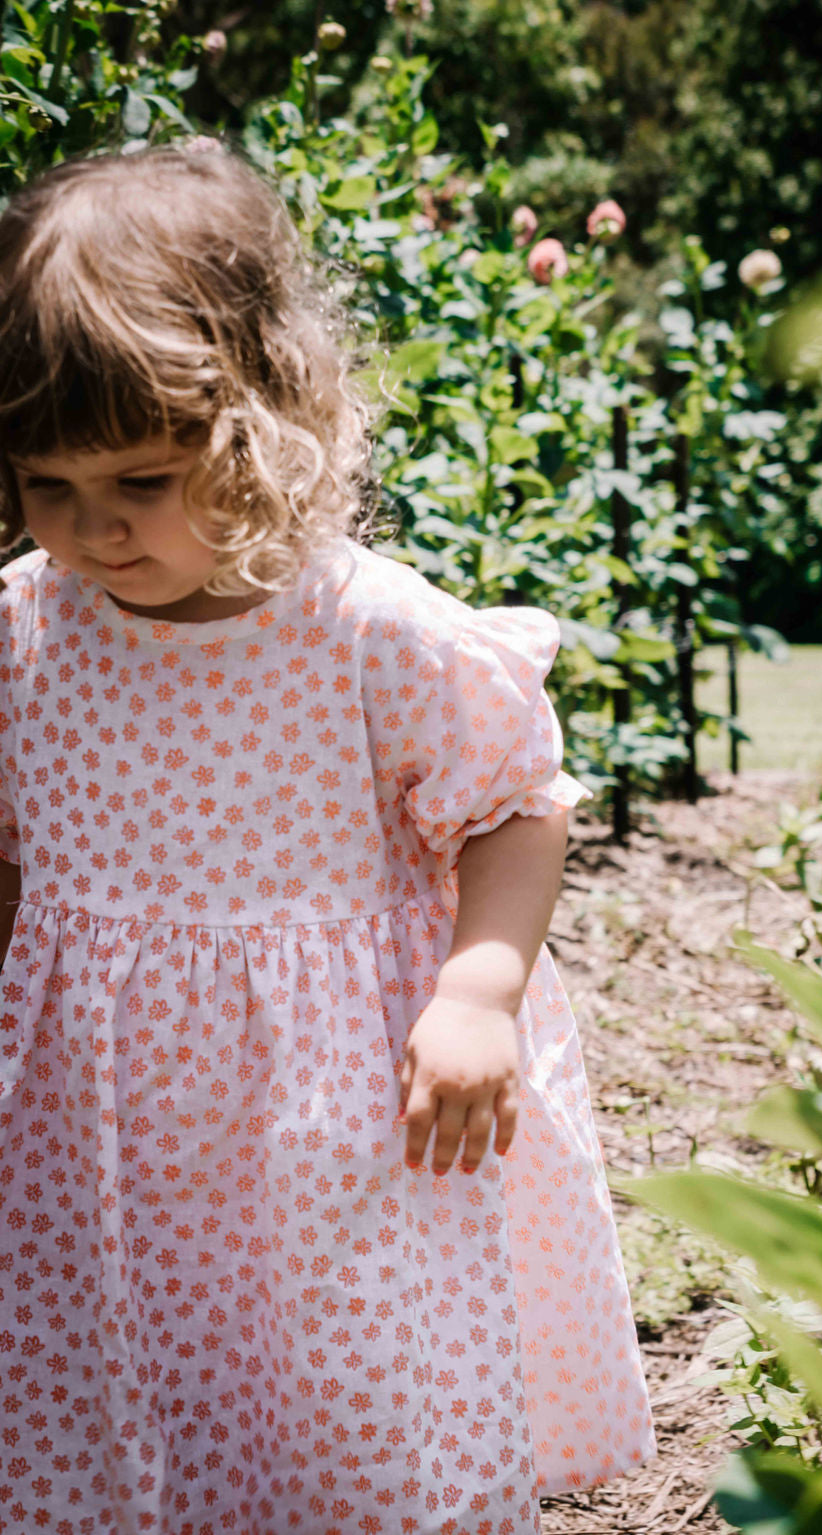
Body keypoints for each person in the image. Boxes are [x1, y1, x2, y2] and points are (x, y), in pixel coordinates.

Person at [0, 144, 655, 1535]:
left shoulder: (367, 632)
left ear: (260, 416)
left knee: (340, 1406)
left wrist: (479, 992)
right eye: (48, 487)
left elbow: (515, 808)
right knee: (120, 1388)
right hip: (96, 1131)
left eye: (144, 477)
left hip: (337, 1124)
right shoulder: (23, 635)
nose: (96, 529)